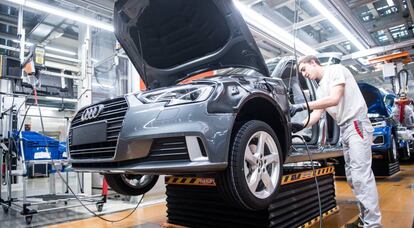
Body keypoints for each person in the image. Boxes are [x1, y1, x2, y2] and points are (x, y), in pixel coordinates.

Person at [290, 55, 382, 228]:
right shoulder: (320, 89)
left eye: (304, 69)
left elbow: (334, 99)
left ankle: (373, 224)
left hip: (356, 125)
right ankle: (365, 219)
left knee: (361, 177)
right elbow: (317, 115)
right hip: (345, 130)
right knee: (353, 179)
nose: (304, 74)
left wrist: (302, 106)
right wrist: (297, 126)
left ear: (313, 62)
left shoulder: (335, 71)